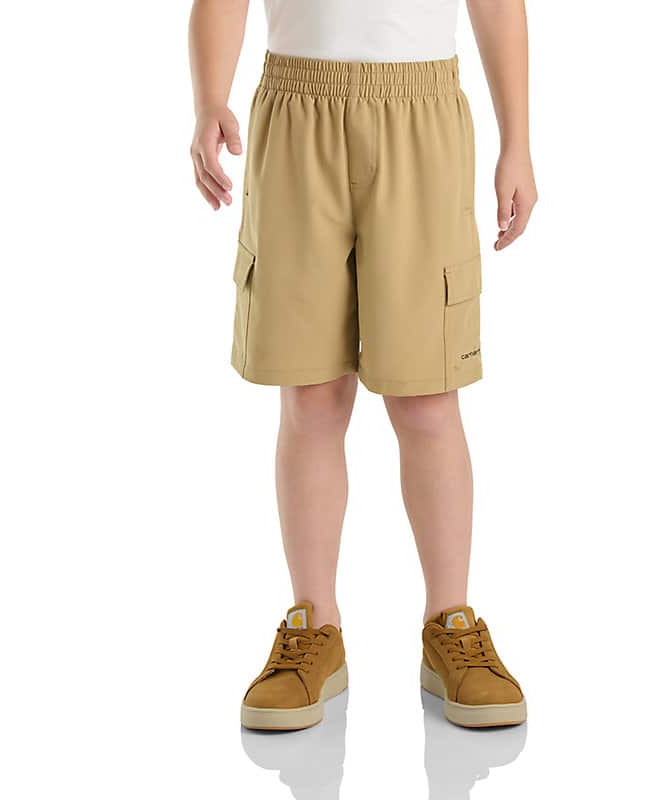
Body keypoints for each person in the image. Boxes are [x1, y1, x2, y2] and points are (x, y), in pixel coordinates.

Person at [189, 0, 537, 731]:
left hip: (422, 114)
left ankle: (451, 623)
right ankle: (314, 625)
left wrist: (518, 141)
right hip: (296, 112)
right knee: (310, 396)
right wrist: (209, 96)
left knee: (428, 398)